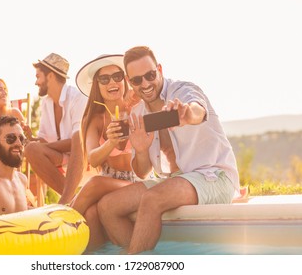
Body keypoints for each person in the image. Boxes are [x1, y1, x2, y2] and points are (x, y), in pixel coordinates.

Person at [98, 46, 240, 254]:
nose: (145, 84)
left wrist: (186, 114)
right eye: (137, 80)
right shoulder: (138, 113)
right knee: (107, 207)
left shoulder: (182, 91)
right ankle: (142, 258)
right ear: (129, 81)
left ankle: (132, 260)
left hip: (214, 175)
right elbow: (142, 172)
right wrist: (142, 149)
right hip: (175, 179)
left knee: (152, 199)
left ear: (160, 70)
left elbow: (197, 110)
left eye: (150, 75)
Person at [70, 54, 140, 250]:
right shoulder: (95, 119)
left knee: (95, 183)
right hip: (108, 182)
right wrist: (111, 142)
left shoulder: (138, 109)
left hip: (137, 180)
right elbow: (92, 157)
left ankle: (62, 222)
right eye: (104, 79)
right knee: (91, 214)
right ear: (97, 86)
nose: (112, 82)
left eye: (117, 76)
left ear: (124, 80)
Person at [23, 53, 87, 205]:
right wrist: (32, 140)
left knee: (36, 148)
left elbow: (77, 142)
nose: (36, 82)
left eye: (38, 76)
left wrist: (43, 146)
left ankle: (66, 201)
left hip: (82, 155)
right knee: (30, 149)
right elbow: (46, 141)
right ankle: (72, 200)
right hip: (62, 157)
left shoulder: (78, 98)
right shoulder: (46, 103)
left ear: (50, 76)